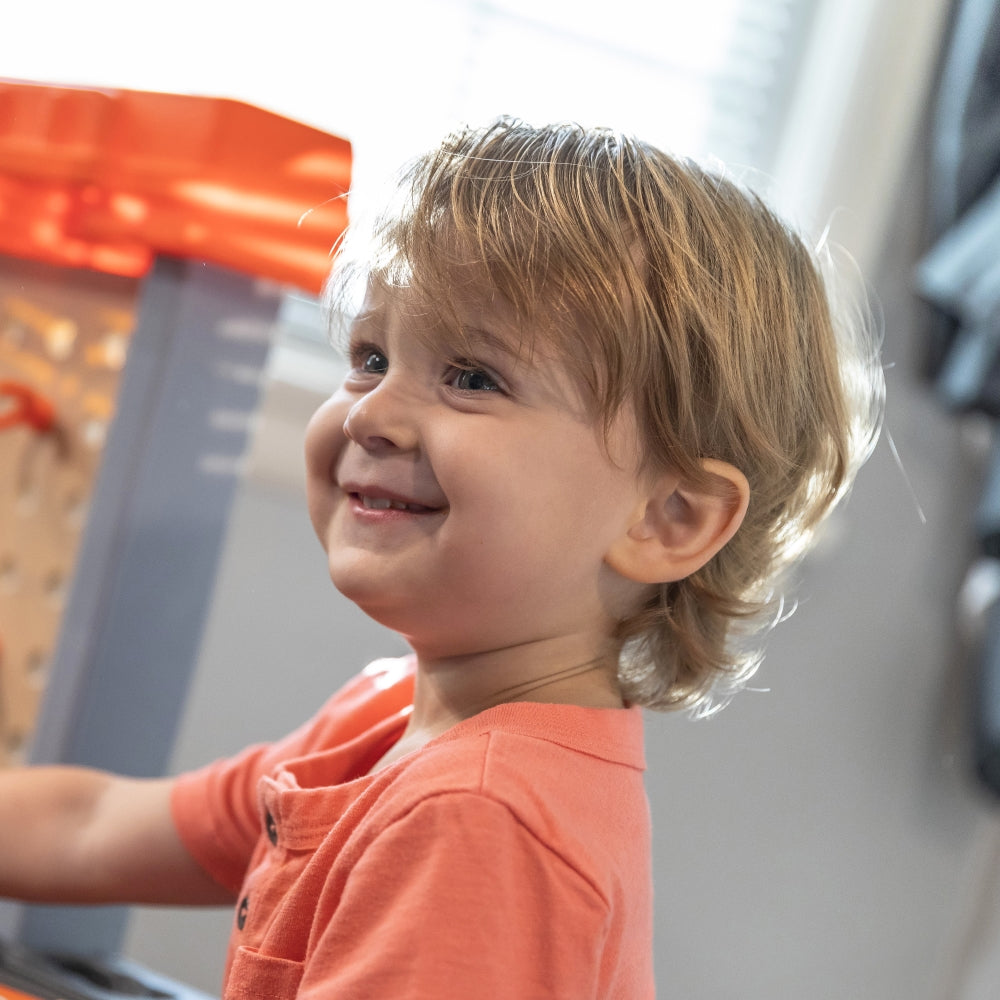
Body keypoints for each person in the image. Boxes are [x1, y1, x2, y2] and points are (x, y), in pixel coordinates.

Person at [0, 118, 882, 999]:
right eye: (371, 356)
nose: (372, 412)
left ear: (669, 518)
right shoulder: (385, 717)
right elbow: (96, 825)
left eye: (472, 377)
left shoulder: (479, 817)